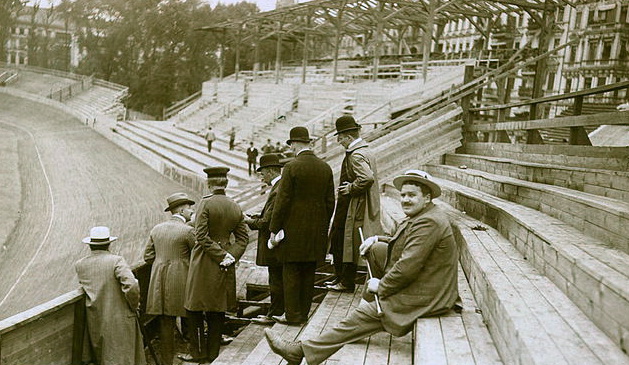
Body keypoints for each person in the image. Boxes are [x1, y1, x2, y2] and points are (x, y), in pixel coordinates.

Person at [265, 170, 460, 365]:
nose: (405, 200)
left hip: (429, 294)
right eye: (403, 195)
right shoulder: (424, 214)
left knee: (369, 313)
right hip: (428, 282)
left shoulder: (428, 222)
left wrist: (381, 286)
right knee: (374, 249)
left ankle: (300, 351)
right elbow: (404, 243)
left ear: (427, 198)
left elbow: (407, 267)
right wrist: (376, 238)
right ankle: (364, 312)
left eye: (411, 195)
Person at [181, 167, 249, 363]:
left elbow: (201, 236)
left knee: (194, 307)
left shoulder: (205, 204)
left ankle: (198, 354)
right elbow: (242, 239)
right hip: (225, 264)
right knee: (217, 309)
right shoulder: (235, 205)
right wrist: (230, 256)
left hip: (204, 261)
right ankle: (213, 355)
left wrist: (220, 255)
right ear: (225, 184)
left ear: (208, 184)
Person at [269, 126, 335, 325]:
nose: (290, 148)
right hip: (316, 231)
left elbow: (282, 200)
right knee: (309, 273)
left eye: (291, 144)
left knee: (291, 272)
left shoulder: (291, 167)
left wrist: (274, 228)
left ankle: (292, 315)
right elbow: (330, 201)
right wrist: (321, 224)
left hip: (293, 229)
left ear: (296, 144)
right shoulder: (325, 167)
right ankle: (304, 314)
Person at [75, 226, 146, 365]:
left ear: (90, 245)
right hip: (120, 316)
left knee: (105, 357)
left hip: (95, 318)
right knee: (125, 356)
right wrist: (134, 305)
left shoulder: (80, 264)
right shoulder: (116, 261)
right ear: (109, 244)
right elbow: (131, 284)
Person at [327, 115, 382, 293]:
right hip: (355, 204)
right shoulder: (365, 150)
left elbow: (367, 178)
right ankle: (341, 279)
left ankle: (345, 281)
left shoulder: (356, 154)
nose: (338, 141)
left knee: (344, 241)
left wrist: (350, 188)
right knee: (343, 241)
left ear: (349, 137)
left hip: (354, 205)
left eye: (340, 137)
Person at [144, 193, 196, 365]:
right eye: (189, 207)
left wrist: (162, 263)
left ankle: (167, 361)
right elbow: (197, 255)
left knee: (166, 322)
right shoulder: (188, 231)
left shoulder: (156, 229)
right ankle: (194, 352)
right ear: (182, 209)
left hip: (159, 281)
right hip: (182, 279)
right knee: (191, 314)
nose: (192, 211)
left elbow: (147, 257)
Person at [244, 154, 285, 325]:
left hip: (274, 243)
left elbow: (267, 221)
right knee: (277, 279)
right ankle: (275, 312)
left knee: (276, 280)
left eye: (262, 173)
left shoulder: (278, 189)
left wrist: (248, 221)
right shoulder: (280, 186)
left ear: (269, 172)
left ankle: (274, 313)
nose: (261, 177)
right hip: (277, 242)